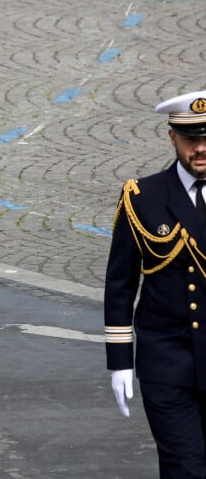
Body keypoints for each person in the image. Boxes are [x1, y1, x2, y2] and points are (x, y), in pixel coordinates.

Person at [105, 89, 206, 478]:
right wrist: (119, 363)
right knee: (186, 469)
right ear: (171, 137)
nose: (200, 148)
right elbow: (120, 285)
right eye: (190, 138)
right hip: (167, 364)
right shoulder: (143, 198)